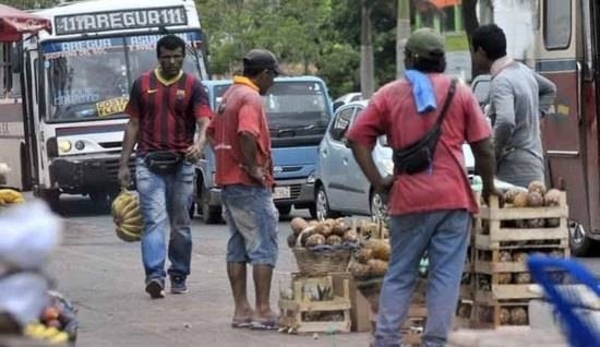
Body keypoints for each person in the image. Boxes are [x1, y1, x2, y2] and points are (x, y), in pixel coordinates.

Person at [346, 28, 501, 347]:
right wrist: (488, 187)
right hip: (453, 199)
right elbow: (484, 147)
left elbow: (356, 138)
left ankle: (387, 340)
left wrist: (379, 181)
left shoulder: (389, 94)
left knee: (401, 273)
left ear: (408, 59)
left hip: (409, 198)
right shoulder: (460, 91)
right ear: (442, 60)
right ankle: (434, 342)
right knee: (444, 277)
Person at [117, 35, 212, 299]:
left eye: (176, 56)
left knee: (181, 223)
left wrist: (199, 144)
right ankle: (155, 276)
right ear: (158, 57)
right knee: (154, 221)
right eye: (166, 56)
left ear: (183, 56)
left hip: (182, 164)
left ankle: (179, 273)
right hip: (148, 162)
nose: (171, 61)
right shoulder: (142, 84)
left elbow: (204, 122)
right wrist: (124, 163)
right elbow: (133, 124)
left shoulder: (194, 86)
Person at [206, 49, 282, 330]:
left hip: (228, 181)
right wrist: (251, 167)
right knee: (263, 244)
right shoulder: (250, 97)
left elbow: (212, 132)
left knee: (238, 245)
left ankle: (242, 310)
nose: (273, 82)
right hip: (248, 185)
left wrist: (228, 159)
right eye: (273, 75)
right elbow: (247, 133)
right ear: (263, 74)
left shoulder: (230, 94)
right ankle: (263, 310)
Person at [472, 24, 557, 188]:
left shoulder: (501, 81)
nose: (474, 58)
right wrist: (532, 117)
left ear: (481, 51)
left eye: (474, 52)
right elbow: (550, 89)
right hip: (534, 165)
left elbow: (505, 121)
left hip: (514, 170)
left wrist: (492, 156)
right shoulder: (522, 71)